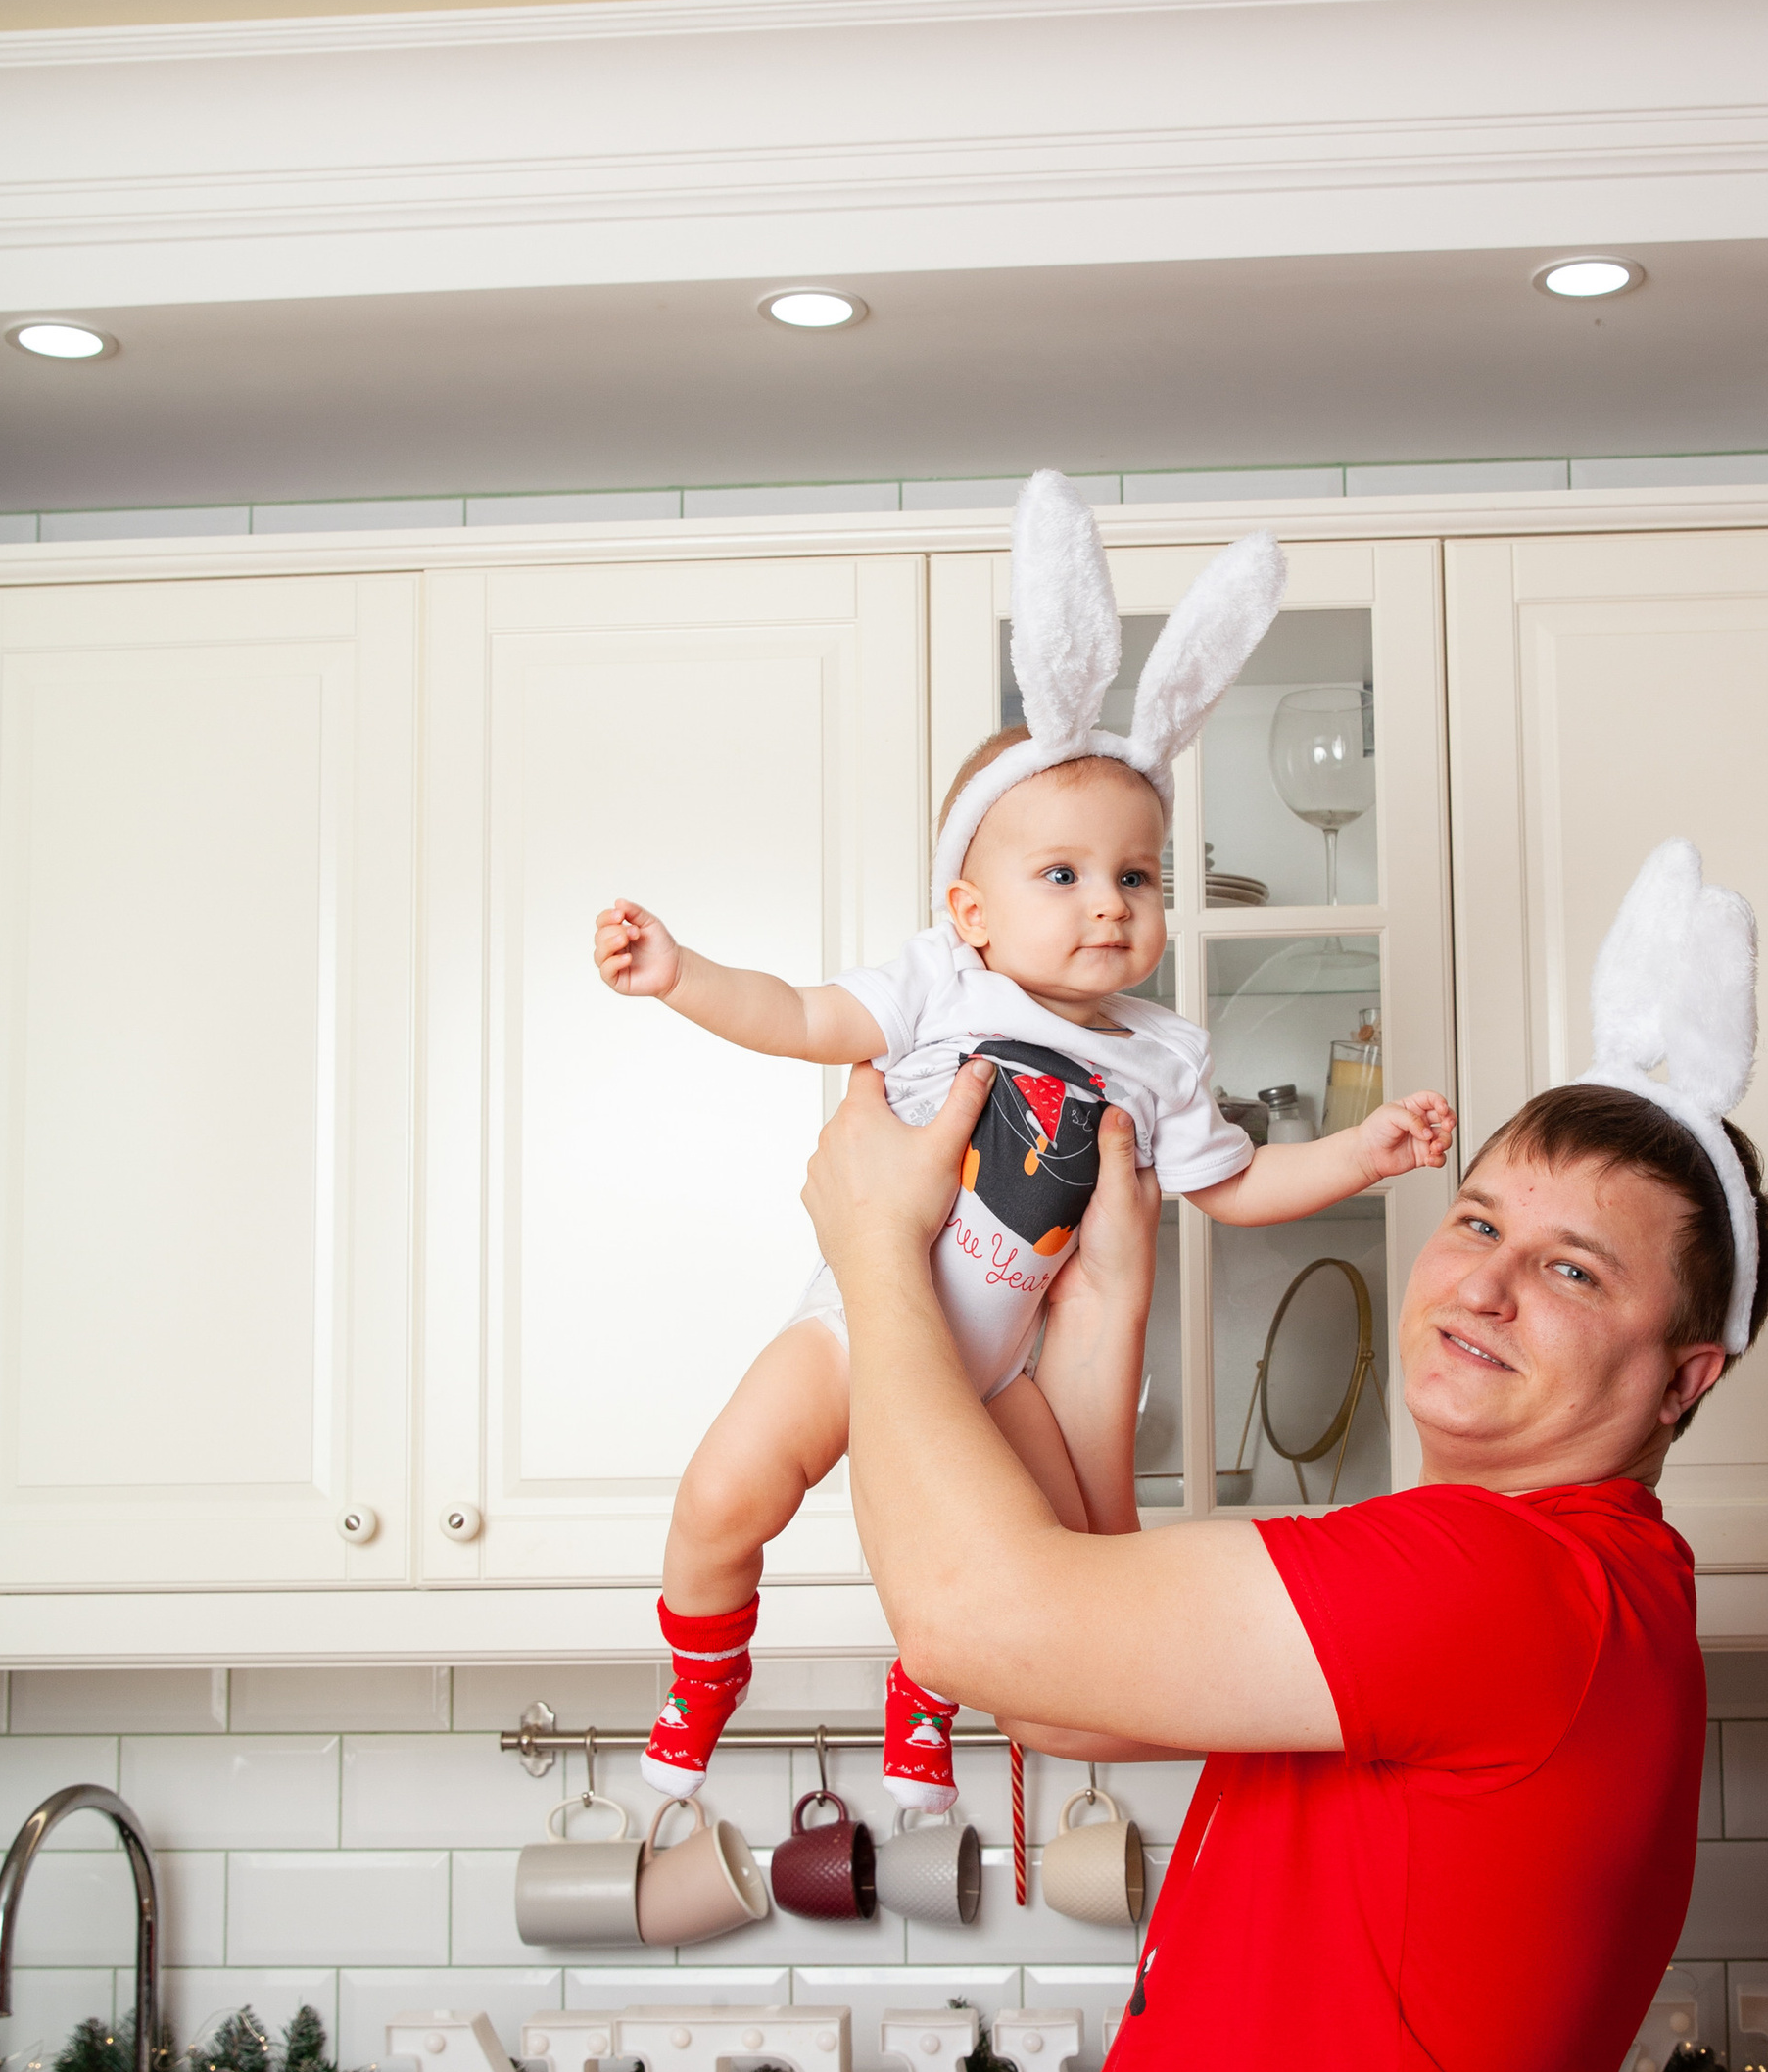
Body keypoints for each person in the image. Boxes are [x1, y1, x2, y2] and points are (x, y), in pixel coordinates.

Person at [799, 836, 1768, 2072]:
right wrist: (1111, 1278)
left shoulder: (1509, 1587)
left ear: (1684, 1376)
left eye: (1569, 1269)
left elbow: (979, 1617)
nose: (1481, 1278)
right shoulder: (1500, 1582)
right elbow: (1071, 1663)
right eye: (1478, 1219)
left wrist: (867, 1254)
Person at [594, 473, 1452, 1805]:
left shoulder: (1163, 1054)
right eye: (1060, 874)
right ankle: (705, 1680)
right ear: (969, 909)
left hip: (1004, 1374)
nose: (1108, 907)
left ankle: (922, 1698)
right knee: (717, 1502)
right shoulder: (939, 985)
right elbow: (805, 1015)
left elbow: (1237, 1185)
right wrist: (681, 971)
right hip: (853, 1324)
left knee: (1028, 1572)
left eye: (1136, 876)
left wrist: (1368, 1152)